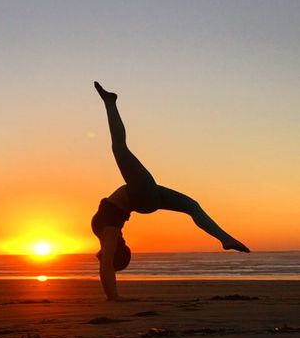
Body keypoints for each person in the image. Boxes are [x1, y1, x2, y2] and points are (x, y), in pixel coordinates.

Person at [92, 81, 250, 301]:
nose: (124, 239)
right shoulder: (109, 233)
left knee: (192, 206)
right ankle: (110, 103)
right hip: (140, 196)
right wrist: (113, 297)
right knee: (119, 148)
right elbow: (106, 264)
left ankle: (225, 239)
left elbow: (108, 262)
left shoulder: (105, 233)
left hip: (144, 197)